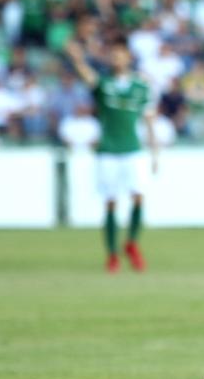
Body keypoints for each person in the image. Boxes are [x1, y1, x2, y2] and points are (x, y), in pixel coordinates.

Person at [65, 39, 158, 272]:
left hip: (133, 149)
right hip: (108, 151)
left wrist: (155, 153)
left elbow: (149, 121)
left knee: (138, 196)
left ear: (128, 57)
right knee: (111, 202)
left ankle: (132, 243)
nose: (116, 59)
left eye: (120, 55)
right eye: (113, 55)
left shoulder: (141, 87)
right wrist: (77, 58)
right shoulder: (104, 84)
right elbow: (88, 76)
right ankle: (112, 254)